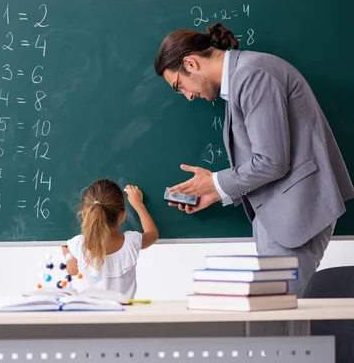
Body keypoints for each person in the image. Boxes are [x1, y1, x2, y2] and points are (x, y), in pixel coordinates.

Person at [153, 22, 354, 297]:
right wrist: (215, 193)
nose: (187, 96)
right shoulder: (242, 78)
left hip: (296, 212)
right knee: (278, 313)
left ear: (190, 63)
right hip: (280, 212)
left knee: (280, 314)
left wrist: (215, 183)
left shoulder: (252, 75)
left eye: (179, 86)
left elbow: (271, 161)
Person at [61, 179, 159, 299]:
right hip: (125, 315)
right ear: (122, 215)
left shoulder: (78, 244)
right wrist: (138, 204)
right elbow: (153, 234)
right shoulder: (131, 242)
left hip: (92, 315)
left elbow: (72, 271)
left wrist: (67, 252)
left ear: (86, 214)